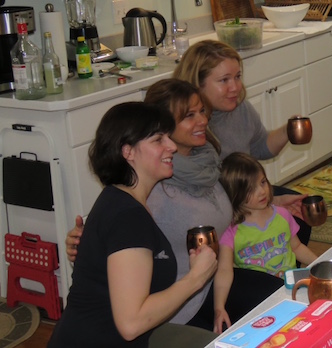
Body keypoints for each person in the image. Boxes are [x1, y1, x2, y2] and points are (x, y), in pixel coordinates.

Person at [48, 102, 217, 347]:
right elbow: (131, 324)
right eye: (159, 139)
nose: (171, 146)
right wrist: (195, 279)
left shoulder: (120, 199)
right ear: (128, 152)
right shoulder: (128, 216)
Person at [172, 40, 311, 247]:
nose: (235, 87)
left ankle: (282, 270)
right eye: (224, 80)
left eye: (237, 77)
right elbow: (209, 197)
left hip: (245, 193)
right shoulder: (190, 129)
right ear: (197, 85)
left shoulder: (240, 109)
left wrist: (288, 130)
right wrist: (268, 204)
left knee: (301, 215)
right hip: (218, 207)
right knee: (282, 221)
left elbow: (259, 147)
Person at [213, 152, 317, 334]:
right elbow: (224, 270)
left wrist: (319, 266)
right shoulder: (231, 230)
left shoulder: (282, 215)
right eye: (251, 189)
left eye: (262, 182)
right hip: (260, 301)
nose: (262, 191)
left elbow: (297, 247)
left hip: (292, 289)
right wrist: (219, 307)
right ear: (235, 194)